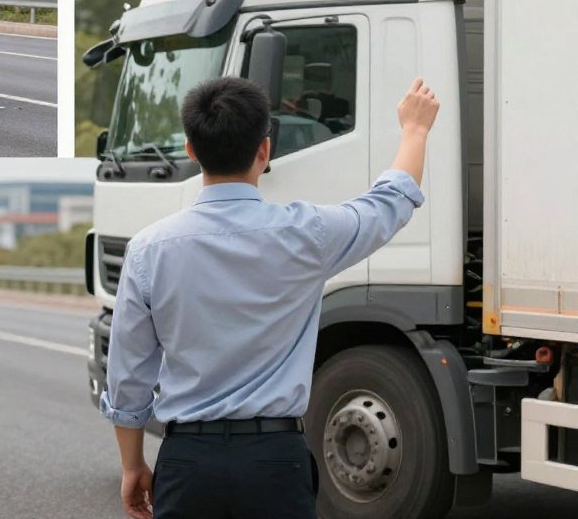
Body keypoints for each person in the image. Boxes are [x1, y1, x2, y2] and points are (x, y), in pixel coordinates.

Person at [100, 76, 439, 519]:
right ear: (264, 151)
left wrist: (132, 465)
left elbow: (128, 374)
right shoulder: (308, 233)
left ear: (190, 149)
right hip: (276, 460)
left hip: (188, 460)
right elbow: (389, 204)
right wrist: (415, 130)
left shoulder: (148, 249)